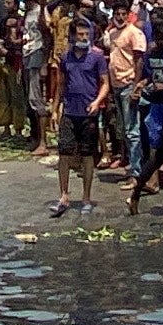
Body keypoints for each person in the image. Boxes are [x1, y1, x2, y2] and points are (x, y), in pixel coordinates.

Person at [52, 18, 108, 215]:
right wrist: (55, 109)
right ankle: (64, 195)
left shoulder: (97, 57)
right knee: (64, 153)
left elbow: (105, 83)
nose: (84, 38)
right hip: (69, 111)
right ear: (73, 35)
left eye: (87, 34)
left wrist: (96, 102)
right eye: (80, 34)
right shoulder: (66, 57)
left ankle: (86, 197)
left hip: (88, 112)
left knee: (87, 155)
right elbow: (61, 85)